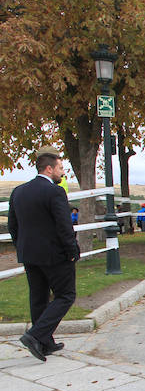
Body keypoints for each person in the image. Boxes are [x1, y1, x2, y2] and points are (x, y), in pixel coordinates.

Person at [8, 146, 80, 362]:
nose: (63, 172)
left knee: (38, 297)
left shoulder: (18, 191)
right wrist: (72, 250)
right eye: (60, 168)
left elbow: (13, 225)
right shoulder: (55, 192)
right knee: (66, 295)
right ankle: (35, 335)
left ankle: (45, 342)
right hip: (54, 255)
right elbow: (64, 225)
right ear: (49, 169)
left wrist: (22, 246)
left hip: (29, 253)